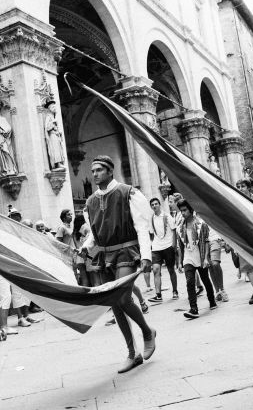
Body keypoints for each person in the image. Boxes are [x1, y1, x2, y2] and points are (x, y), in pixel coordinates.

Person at [79, 155, 156, 373]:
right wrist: (85, 246)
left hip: (126, 251)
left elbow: (141, 226)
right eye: (93, 170)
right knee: (114, 303)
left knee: (122, 296)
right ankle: (132, 354)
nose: (94, 174)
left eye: (99, 170)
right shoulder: (90, 202)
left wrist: (146, 255)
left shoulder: (127, 192)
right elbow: (94, 233)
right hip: (104, 256)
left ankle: (148, 332)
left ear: (110, 171)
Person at [175, 199, 217, 319]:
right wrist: (179, 262)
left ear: (191, 210)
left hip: (200, 255)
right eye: (181, 211)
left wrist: (205, 258)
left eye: (185, 210)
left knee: (205, 279)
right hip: (188, 257)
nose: (182, 213)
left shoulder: (200, 224)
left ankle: (212, 300)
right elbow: (180, 246)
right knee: (189, 281)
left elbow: (206, 242)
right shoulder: (180, 227)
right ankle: (193, 308)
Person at [148, 197, 179, 302]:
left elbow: (174, 230)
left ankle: (175, 291)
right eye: (152, 205)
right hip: (157, 247)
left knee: (171, 270)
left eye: (156, 204)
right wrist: (152, 245)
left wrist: (174, 245)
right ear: (151, 207)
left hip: (168, 246)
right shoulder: (151, 218)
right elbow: (152, 234)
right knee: (156, 270)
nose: (154, 206)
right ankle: (158, 295)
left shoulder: (167, 216)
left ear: (159, 204)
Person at [44, 99, 66, 171]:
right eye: (53, 107)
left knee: (59, 149)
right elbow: (47, 127)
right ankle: (57, 164)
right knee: (55, 150)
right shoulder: (48, 116)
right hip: (52, 136)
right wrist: (53, 123)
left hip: (56, 135)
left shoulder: (53, 116)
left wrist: (59, 133)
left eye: (55, 107)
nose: (55, 108)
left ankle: (59, 163)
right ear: (50, 109)